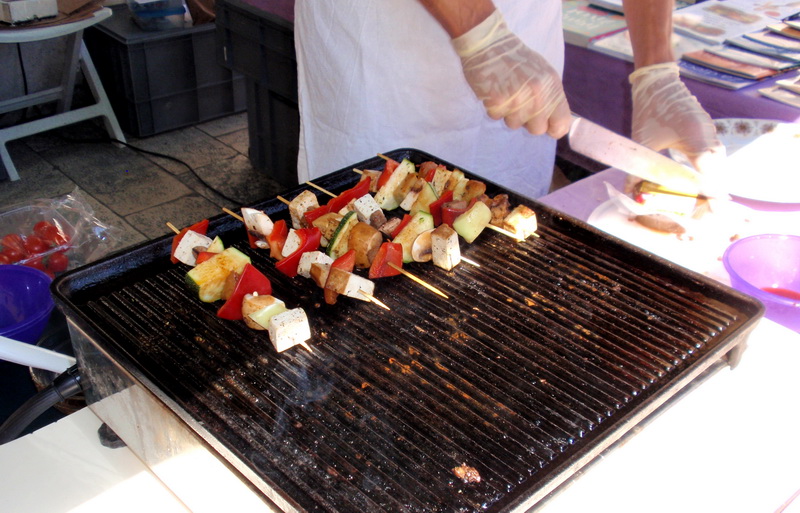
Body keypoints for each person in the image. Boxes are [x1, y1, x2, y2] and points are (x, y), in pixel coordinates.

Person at [294, 0, 723, 199]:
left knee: (507, 234)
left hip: (524, 43)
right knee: (369, 227)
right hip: (384, 57)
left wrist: (656, 71)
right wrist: (481, 34)